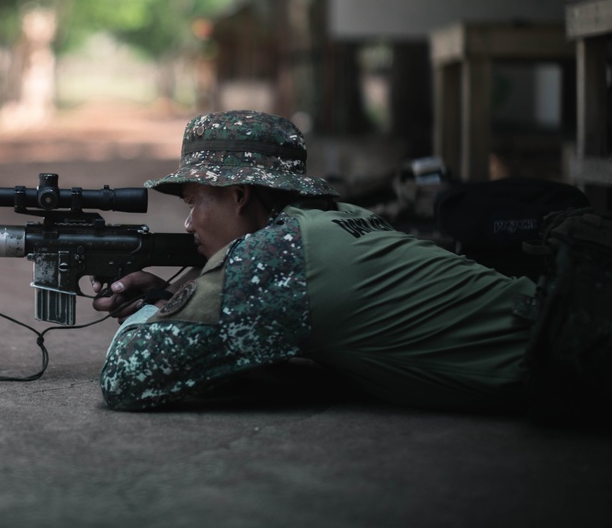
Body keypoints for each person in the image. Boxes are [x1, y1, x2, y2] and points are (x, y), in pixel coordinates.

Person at [92, 110, 537, 412]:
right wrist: (187, 296)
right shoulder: (342, 217)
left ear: (239, 196)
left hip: (566, 351)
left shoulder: (278, 254)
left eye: (195, 203)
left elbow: (127, 378)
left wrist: (155, 307)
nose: (189, 224)